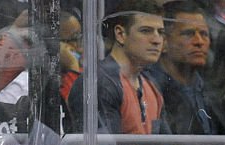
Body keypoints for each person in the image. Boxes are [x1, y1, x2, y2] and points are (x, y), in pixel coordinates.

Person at [69, 0, 171, 134]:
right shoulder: (98, 82)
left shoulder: (151, 85)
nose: (157, 40)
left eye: (160, 32)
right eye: (146, 31)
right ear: (120, 34)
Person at [146, 1, 224, 136]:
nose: (199, 41)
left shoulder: (212, 88)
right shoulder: (150, 89)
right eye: (188, 33)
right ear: (163, 41)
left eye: (204, 34)